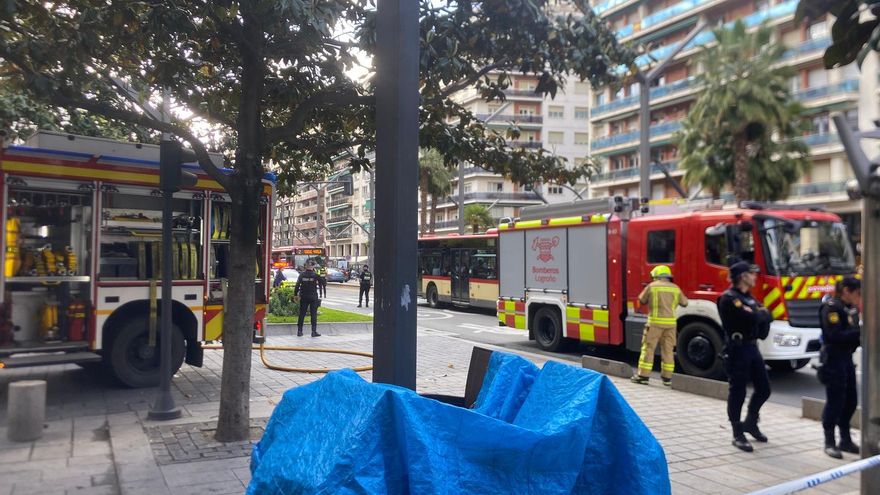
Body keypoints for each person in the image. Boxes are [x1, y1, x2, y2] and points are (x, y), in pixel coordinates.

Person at [718, 261, 773, 452]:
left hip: (752, 348)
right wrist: (758, 315)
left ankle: (750, 422)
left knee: (764, 389)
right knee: (738, 391)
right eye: (752, 273)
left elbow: (767, 316)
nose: (755, 276)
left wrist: (759, 315)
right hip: (737, 349)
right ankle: (737, 432)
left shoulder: (749, 299)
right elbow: (756, 317)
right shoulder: (729, 298)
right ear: (743, 276)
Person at [818, 277, 861, 459]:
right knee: (835, 401)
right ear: (846, 290)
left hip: (847, 359)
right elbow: (835, 335)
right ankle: (829, 441)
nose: (859, 297)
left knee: (850, 400)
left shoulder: (849, 308)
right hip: (833, 359)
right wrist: (860, 332)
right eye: (857, 293)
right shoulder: (832, 307)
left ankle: (845, 439)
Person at [631, 265, 688, 387]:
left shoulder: (652, 287)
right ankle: (667, 378)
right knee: (668, 350)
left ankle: (643, 376)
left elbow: (641, 300)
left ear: (656, 276)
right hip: (671, 325)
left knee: (648, 349)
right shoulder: (675, 288)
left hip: (654, 324)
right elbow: (685, 303)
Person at [293, 263, 321, 337]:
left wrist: (295, 294)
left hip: (304, 296)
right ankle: (313, 331)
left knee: (302, 314)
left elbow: (297, 285)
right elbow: (323, 282)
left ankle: (299, 331)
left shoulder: (302, 275)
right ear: (313, 267)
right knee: (313, 314)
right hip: (313, 297)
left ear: (306, 267)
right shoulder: (315, 275)